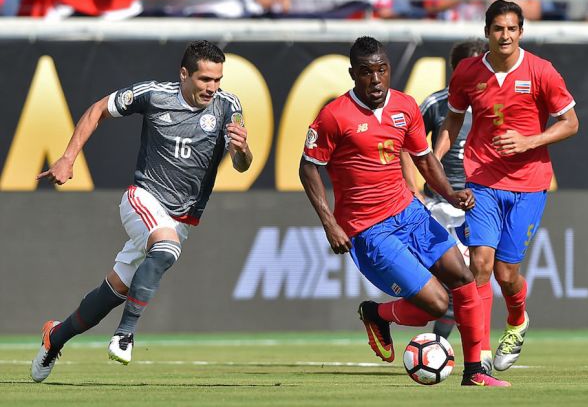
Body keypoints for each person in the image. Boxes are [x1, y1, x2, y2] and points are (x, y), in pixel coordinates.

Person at [30, 40, 253, 383]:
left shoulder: (229, 105)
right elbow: (98, 110)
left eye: (217, 79)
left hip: (182, 216)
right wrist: (68, 157)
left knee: (116, 290)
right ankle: (125, 334)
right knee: (165, 248)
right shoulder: (154, 94)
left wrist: (242, 150)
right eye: (205, 79)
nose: (212, 87)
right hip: (144, 197)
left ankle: (54, 337)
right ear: (184, 74)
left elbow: (241, 165)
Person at [299, 36, 510, 387]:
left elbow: (425, 159)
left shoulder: (405, 106)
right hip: (370, 230)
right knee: (438, 304)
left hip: (410, 213)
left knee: (464, 281)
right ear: (353, 74)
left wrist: (449, 193)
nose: (376, 80)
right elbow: (308, 168)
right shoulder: (334, 116)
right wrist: (329, 223)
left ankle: (475, 374)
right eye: (367, 72)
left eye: (382, 70)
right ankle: (377, 314)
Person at [435, 0, 579, 372]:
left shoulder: (542, 72)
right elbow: (452, 122)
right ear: (487, 33)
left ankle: (517, 320)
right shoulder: (467, 72)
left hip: (529, 184)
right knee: (480, 265)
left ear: (521, 32)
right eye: (498, 28)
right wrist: (434, 160)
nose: (505, 35)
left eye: (512, 29)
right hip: (481, 180)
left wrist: (530, 141)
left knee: (506, 274)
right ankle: (478, 358)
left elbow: (571, 123)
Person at [401, 39, 487, 343]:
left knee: (469, 280)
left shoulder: (493, 104)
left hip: (478, 205)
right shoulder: (437, 103)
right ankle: (442, 344)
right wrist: (413, 189)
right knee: (450, 282)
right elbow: (405, 144)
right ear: (456, 70)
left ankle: (450, 346)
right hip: (439, 203)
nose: (480, 72)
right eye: (472, 66)